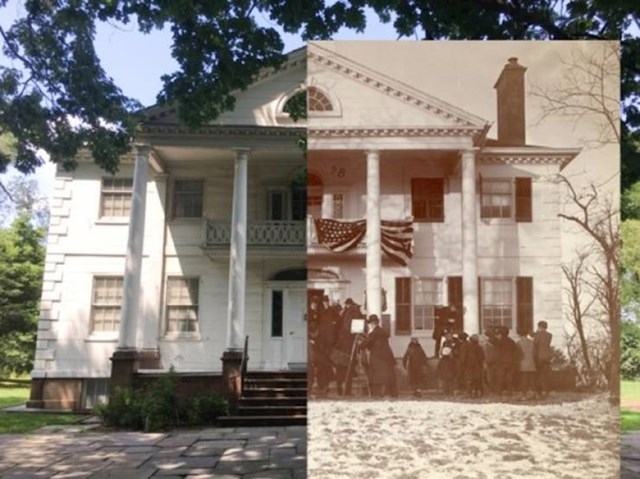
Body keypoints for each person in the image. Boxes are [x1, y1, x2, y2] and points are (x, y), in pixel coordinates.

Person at [361, 315, 397, 398]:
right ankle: (389, 393)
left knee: (378, 376)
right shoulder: (382, 331)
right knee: (388, 375)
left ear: (372, 324)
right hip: (387, 356)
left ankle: (380, 394)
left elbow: (367, 343)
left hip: (378, 357)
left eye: (370, 323)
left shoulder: (374, 333)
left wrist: (360, 344)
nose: (370, 325)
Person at [533, 320, 553, 399]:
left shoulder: (538, 335)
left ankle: (539, 392)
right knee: (545, 375)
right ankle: (546, 391)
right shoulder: (549, 335)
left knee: (538, 375)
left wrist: (536, 333)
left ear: (539, 327)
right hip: (547, 357)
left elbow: (535, 344)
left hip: (539, 357)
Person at [517, 331, 536, 400]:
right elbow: (534, 353)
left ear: (519, 335)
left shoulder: (519, 342)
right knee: (532, 380)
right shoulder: (531, 342)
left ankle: (524, 394)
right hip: (531, 362)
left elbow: (517, 353)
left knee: (524, 380)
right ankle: (534, 393)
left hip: (523, 363)